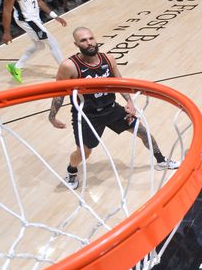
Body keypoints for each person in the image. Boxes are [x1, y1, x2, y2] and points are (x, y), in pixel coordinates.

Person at [48, 27, 179, 189]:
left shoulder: (108, 59)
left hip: (112, 109)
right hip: (87, 116)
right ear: (76, 44)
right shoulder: (69, 66)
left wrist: (130, 102)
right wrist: (52, 117)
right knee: (84, 152)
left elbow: (120, 82)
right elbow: (58, 93)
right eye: (83, 40)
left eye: (91, 38)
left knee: (143, 132)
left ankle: (161, 160)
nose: (89, 43)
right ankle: (71, 171)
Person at [1, 0, 66, 84]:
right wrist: (6, 32)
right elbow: (6, 11)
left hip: (34, 18)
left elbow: (39, 1)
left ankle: (17, 67)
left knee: (39, 45)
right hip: (27, 20)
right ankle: (65, 71)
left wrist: (54, 16)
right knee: (53, 42)